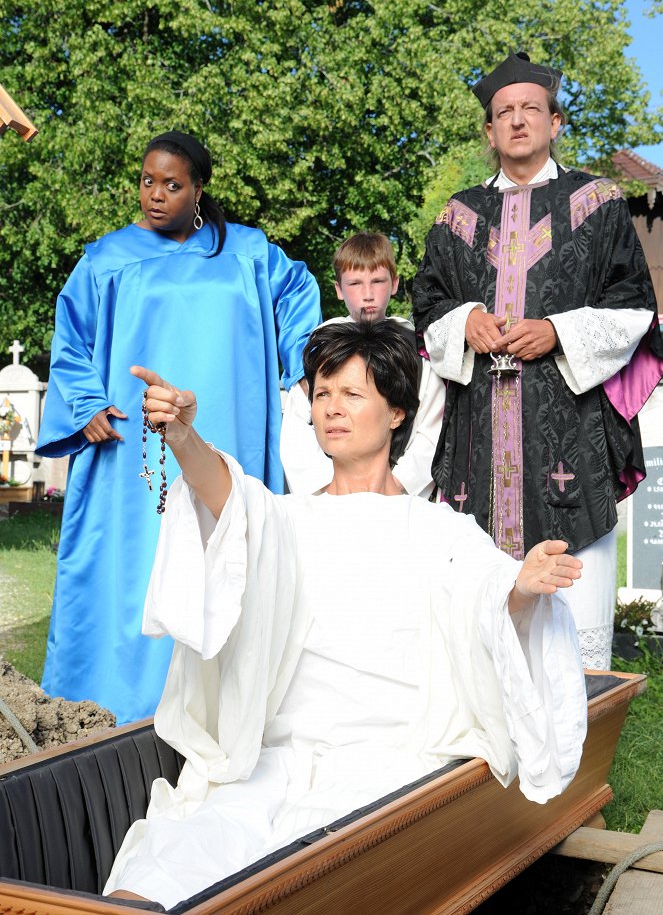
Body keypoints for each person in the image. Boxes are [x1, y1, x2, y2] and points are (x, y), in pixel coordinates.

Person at [104, 320, 586, 909]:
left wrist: (521, 587)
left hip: (386, 768)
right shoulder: (288, 519)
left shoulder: (436, 528)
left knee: (303, 881)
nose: (332, 409)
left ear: (397, 413)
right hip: (276, 761)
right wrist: (183, 438)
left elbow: (483, 593)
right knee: (173, 861)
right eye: (323, 393)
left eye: (353, 394)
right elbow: (229, 499)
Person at [36, 130, 321, 724]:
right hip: (131, 452)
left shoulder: (245, 253)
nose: (155, 195)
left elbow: (298, 296)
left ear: (198, 190)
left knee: (224, 559)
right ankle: (111, 712)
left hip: (229, 437)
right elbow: (71, 341)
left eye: (172, 184)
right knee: (131, 570)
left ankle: (228, 715)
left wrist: (305, 371)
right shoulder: (106, 260)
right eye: (147, 181)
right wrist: (86, 401)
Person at [412, 51, 663, 670]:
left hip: (568, 441)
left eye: (531, 109)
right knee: (486, 634)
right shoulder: (459, 215)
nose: (518, 121)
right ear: (489, 132)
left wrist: (557, 331)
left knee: (572, 644)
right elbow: (427, 303)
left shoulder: (598, 203)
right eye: (505, 112)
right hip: (479, 440)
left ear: (556, 123)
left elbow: (635, 305)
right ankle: (490, 758)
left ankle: (583, 751)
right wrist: (463, 320)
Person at [280, 232, 446, 497]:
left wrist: (399, 483)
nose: (367, 295)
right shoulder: (321, 344)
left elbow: (432, 424)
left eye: (378, 281)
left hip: (394, 492)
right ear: (338, 289)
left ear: (394, 284)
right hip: (330, 494)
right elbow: (296, 423)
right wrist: (325, 487)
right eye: (355, 283)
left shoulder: (417, 347)